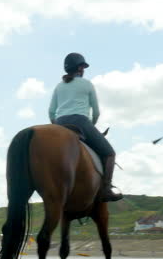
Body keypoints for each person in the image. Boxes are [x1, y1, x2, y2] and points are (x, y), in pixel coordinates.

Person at [48, 53, 123, 202]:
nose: (84, 69)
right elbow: (96, 112)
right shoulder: (87, 84)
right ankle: (106, 189)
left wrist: (57, 127)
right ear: (80, 68)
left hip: (60, 124)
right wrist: (91, 126)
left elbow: (51, 112)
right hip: (81, 122)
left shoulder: (59, 86)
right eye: (83, 66)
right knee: (109, 154)